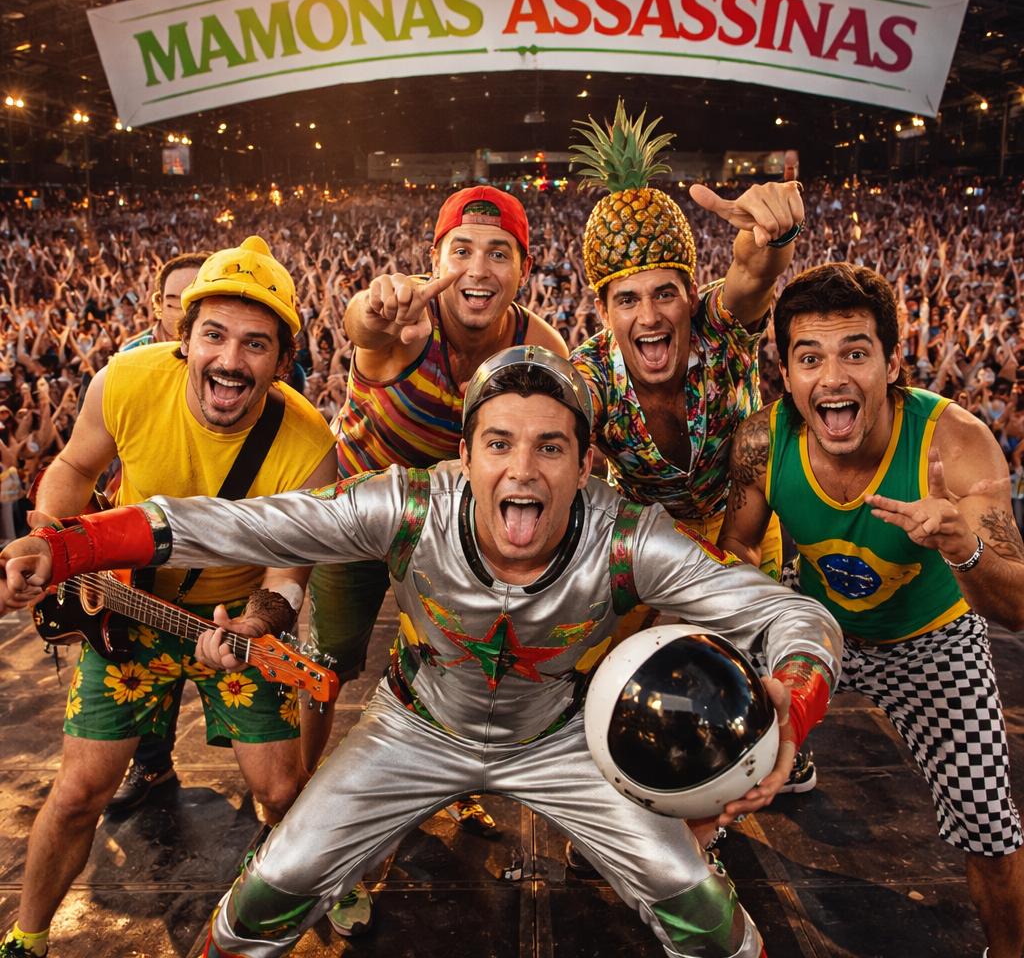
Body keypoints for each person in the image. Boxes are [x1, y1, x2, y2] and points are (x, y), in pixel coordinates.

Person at [0, 345, 841, 958]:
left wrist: (792, 705)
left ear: (587, 464)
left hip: (560, 740)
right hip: (413, 728)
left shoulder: (626, 539)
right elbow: (242, 524)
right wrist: (72, 546)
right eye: (499, 443)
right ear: (463, 455)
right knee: (270, 890)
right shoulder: (408, 508)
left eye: (550, 447)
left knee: (703, 911)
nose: (523, 470)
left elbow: (790, 615)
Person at [0, 235, 337, 958]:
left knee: (282, 793)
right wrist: (51, 540)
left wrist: (255, 625)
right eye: (213, 334)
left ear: (283, 362)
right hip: (125, 612)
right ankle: (25, 938)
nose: (229, 360)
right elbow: (74, 466)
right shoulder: (124, 381)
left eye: (255, 344)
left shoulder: (309, 445)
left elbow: (288, 576)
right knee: (78, 793)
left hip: (233, 624)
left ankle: (305, 889)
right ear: (184, 339)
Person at [718, 262, 1024, 958]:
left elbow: (1016, 606)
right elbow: (738, 547)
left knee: (989, 825)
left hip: (934, 642)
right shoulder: (762, 442)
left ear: (892, 362)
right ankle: (761, 782)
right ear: (785, 374)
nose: (832, 378)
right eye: (809, 358)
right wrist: (758, 629)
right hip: (817, 627)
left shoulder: (954, 443)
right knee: (707, 724)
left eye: (855, 353)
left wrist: (965, 547)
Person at [302, 185, 567, 931]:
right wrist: (373, 305)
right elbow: (362, 322)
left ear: (524, 269)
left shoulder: (538, 350)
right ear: (434, 259)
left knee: (457, 671)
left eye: (498, 253)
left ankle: (450, 786)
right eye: (462, 251)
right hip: (358, 519)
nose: (478, 269)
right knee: (326, 669)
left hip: (447, 538)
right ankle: (299, 811)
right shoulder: (408, 325)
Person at [568, 101, 815, 794]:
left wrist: (773, 236)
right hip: (652, 540)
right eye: (627, 300)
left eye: (665, 294)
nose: (649, 317)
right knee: (630, 676)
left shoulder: (719, 326)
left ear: (690, 294)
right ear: (603, 311)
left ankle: (773, 746)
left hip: (745, 520)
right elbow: (560, 416)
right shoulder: (592, 373)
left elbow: (754, 273)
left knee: (756, 665)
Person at [108, 250, 211, 812]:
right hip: (142, 543)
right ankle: (151, 765)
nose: (184, 312)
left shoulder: (245, 366)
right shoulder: (129, 363)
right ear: (159, 307)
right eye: (176, 302)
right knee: (140, 663)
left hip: (220, 544)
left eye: (197, 301)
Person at [120, 251, 208, 351]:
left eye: (195, 305)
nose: (183, 315)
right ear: (160, 303)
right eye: (174, 306)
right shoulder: (132, 354)